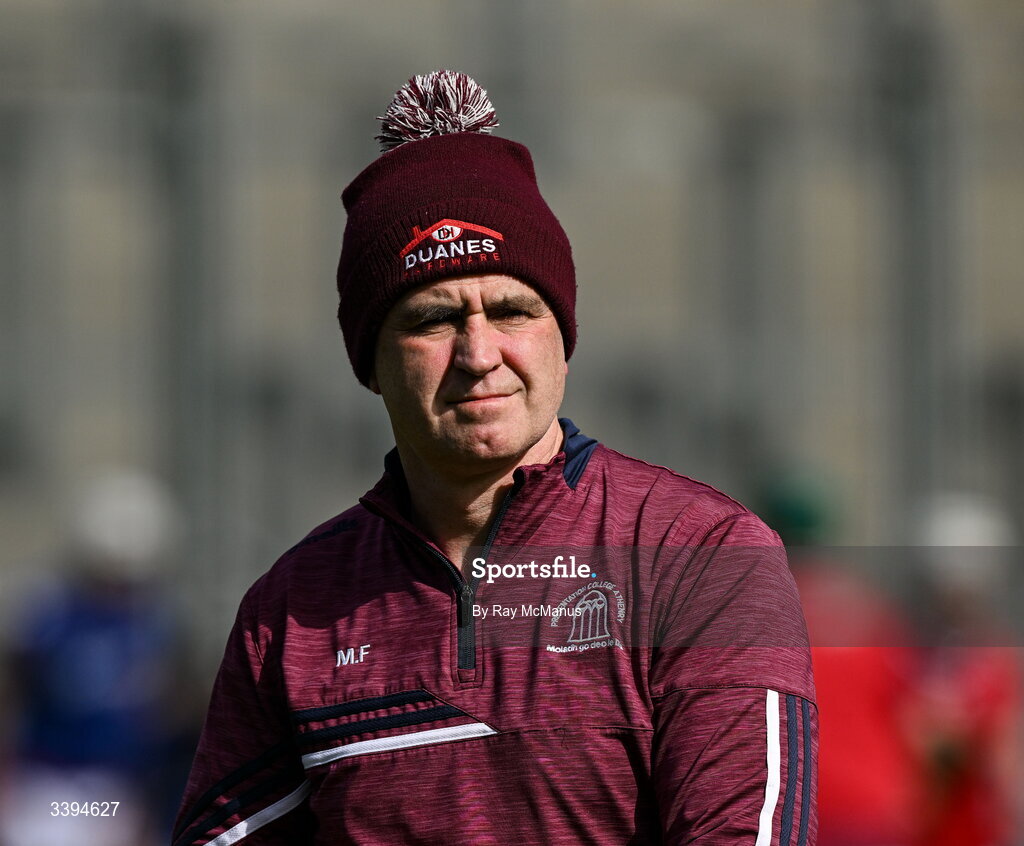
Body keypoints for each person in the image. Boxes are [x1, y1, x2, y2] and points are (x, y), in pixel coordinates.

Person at [173, 70, 817, 845]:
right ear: (369, 363)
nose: (480, 354)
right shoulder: (292, 610)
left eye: (513, 310)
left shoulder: (701, 554)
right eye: (434, 320)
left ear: (563, 339)